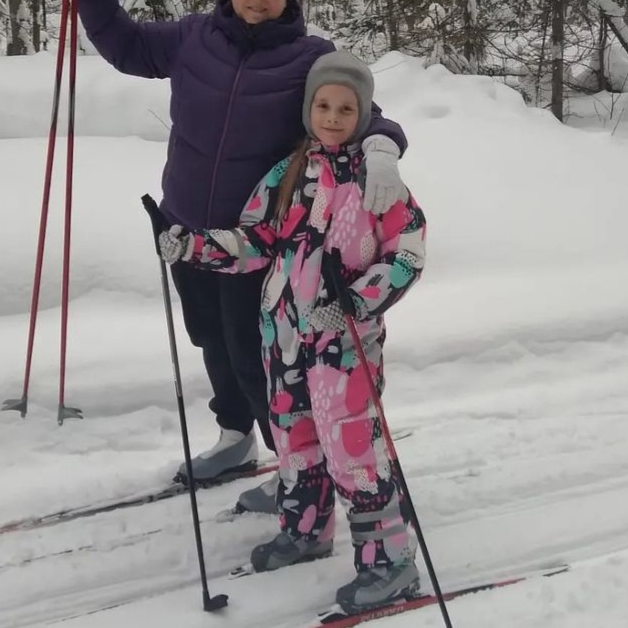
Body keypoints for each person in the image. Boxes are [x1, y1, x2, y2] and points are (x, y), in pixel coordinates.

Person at [50, 0, 410, 513]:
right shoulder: (194, 38)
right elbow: (125, 44)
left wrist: (384, 143)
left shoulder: (310, 58)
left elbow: (355, 108)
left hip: (259, 241)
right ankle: (235, 437)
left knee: (256, 350)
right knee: (209, 337)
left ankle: (293, 463)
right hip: (187, 228)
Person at [157, 51, 426, 614]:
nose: (332, 116)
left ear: (364, 112)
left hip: (343, 347)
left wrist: (354, 303)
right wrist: (190, 245)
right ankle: (306, 528)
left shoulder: (377, 182)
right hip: (282, 337)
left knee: (352, 447)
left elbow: (407, 255)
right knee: (296, 439)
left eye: (346, 107)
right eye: (323, 105)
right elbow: (254, 242)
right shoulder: (288, 173)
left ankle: (390, 562)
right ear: (308, 109)